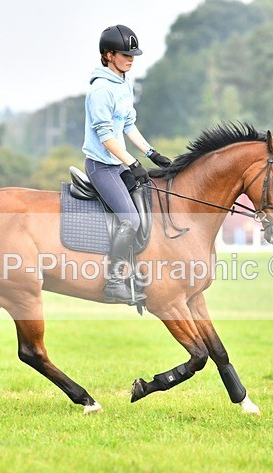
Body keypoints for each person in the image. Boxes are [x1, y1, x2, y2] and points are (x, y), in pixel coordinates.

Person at [82, 24, 172, 304]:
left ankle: (139, 269)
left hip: (118, 163)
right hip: (102, 167)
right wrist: (133, 163)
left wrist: (151, 153)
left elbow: (128, 125)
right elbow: (106, 136)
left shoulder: (124, 84)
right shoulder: (100, 91)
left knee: (150, 205)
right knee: (131, 219)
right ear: (108, 55)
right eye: (124, 54)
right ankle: (113, 282)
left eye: (133, 54)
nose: (130, 58)